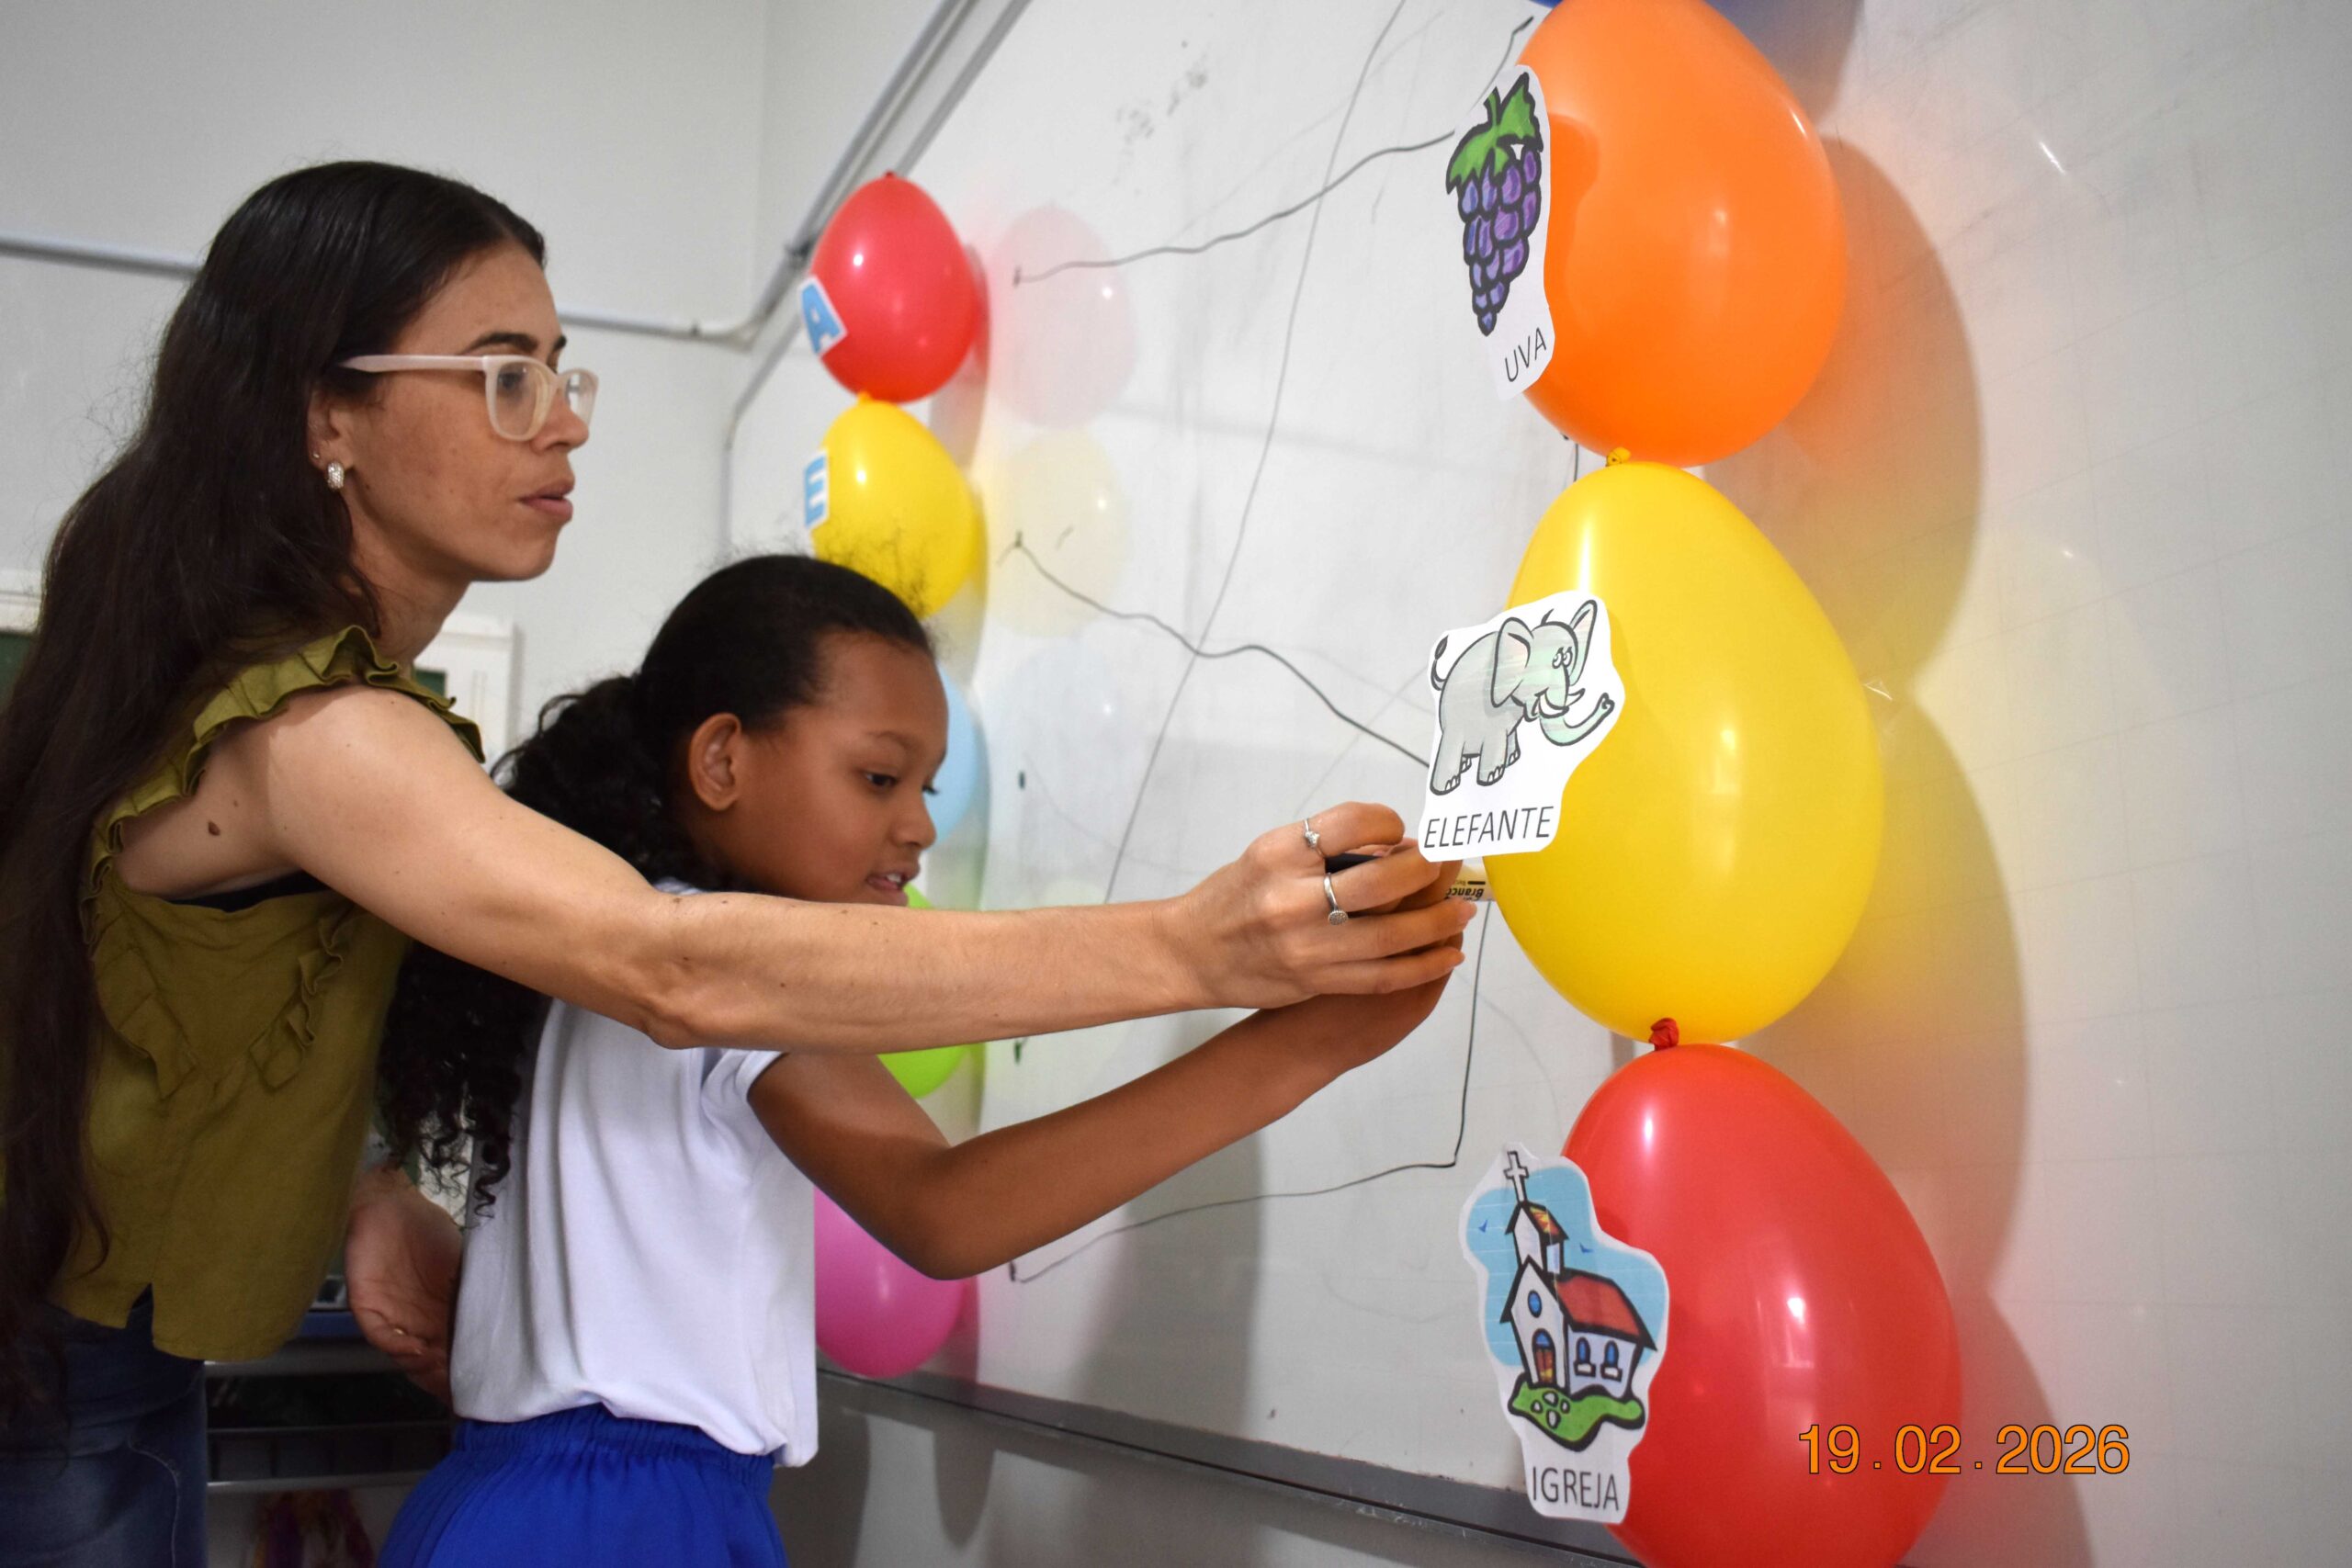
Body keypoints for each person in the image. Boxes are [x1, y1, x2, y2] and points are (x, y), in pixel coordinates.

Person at [0, 162, 1468, 1564]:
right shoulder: (317, 729)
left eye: (565, 374)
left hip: (138, 1372)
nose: (564, 425)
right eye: (504, 375)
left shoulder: (354, 729)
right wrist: (1197, 946)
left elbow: (231, 1032)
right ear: (330, 413)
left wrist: (374, 1181)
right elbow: (680, 965)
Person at [373, 554, 1462, 1566]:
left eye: (928, 789)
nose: (919, 830)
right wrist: (1303, 1046)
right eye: (879, 778)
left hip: (491, 1500)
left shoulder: (599, 962)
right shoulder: (728, 971)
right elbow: (945, 1213)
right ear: (721, 760)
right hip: (630, 1521)